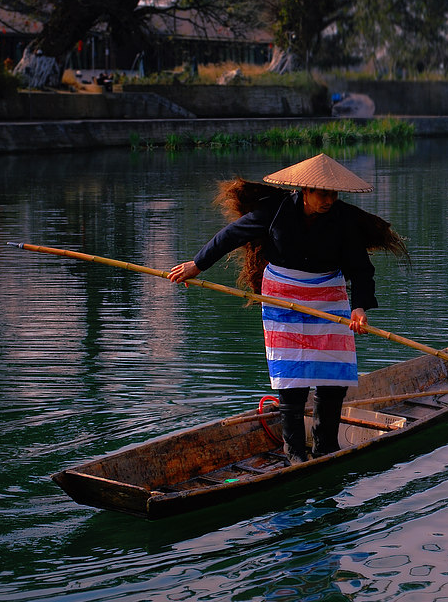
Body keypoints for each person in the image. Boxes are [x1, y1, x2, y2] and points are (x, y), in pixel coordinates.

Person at [169, 153, 407, 464]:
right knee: (291, 375)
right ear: (304, 190)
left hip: (327, 295)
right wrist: (197, 265)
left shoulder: (345, 219)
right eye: (323, 193)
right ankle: (294, 454)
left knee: (332, 376)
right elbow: (230, 236)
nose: (329, 200)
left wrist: (359, 307)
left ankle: (325, 449)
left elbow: (362, 269)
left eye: (333, 194)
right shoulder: (275, 211)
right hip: (283, 297)